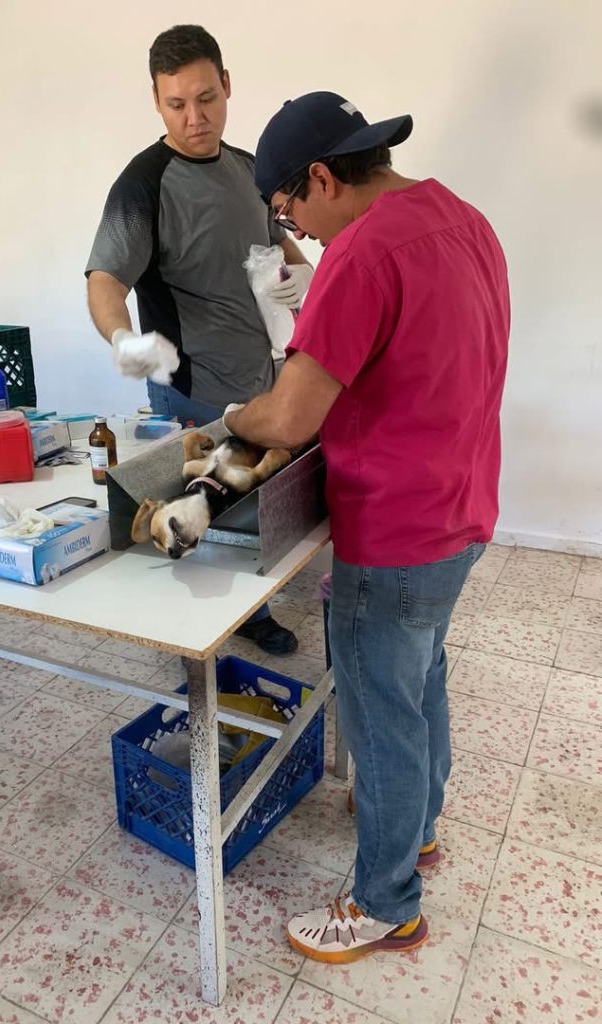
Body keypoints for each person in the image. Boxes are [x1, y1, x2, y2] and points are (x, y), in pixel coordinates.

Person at [223, 91, 510, 963]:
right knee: (419, 679)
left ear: (321, 177)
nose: (298, 236)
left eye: (289, 213)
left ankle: (386, 904)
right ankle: (417, 828)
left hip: (396, 528)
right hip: (463, 507)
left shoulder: (361, 252)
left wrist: (235, 418)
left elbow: (291, 416)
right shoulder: (462, 217)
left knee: (380, 713)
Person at [86, 24, 312, 656]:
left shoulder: (249, 170)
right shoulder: (143, 185)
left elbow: (279, 243)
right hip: (193, 386)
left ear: (227, 85)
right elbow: (105, 280)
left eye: (207, 98)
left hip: (265, 376)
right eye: (177, 104)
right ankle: (194, 638)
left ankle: (249, 609)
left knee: (253, 499)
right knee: (200, 508)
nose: (195, 118)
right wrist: (122, 337)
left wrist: (306, 276)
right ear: (156, 102)